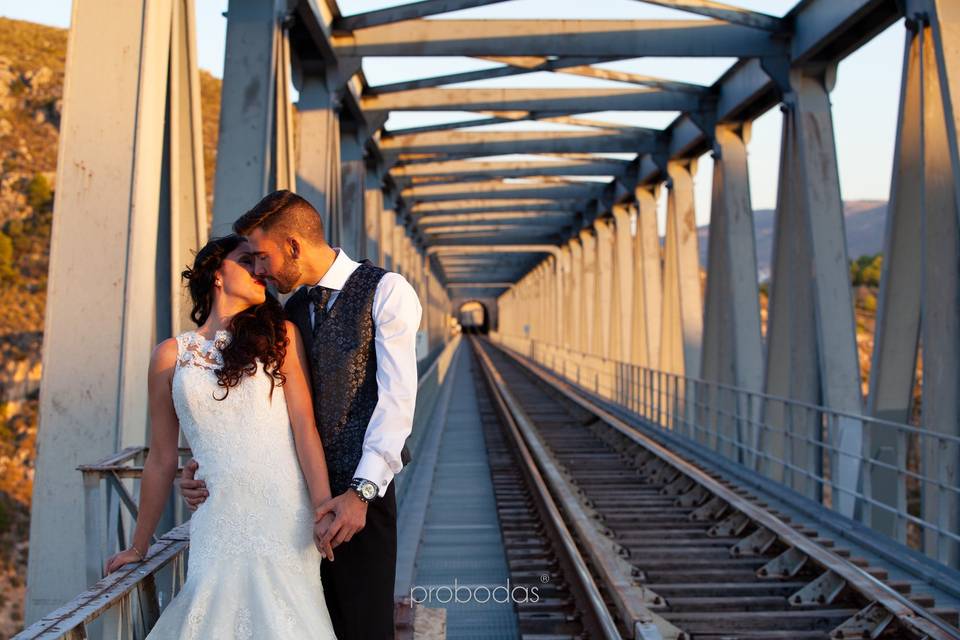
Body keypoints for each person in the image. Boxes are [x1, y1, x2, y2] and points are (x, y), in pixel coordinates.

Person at [181, 190, 423, 639]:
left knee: (362, 629)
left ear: (292, 245)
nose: (257, 270)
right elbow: (241, 401)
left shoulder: (387, 291)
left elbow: (397, 404)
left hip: (356, 506)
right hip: (286, 511)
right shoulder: (288, 313)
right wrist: (199, 465)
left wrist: (361, 492)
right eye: (249, 261)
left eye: (260, 257)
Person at [104, 234, 339, 639]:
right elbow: (162, 457)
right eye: (247, 261)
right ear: (216, 273)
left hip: (284, 513)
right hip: (218, 517)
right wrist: (139, 546)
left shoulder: (281, 336)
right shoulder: (170, 356)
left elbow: (304, 427)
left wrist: (322, 509)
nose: (260, 271)